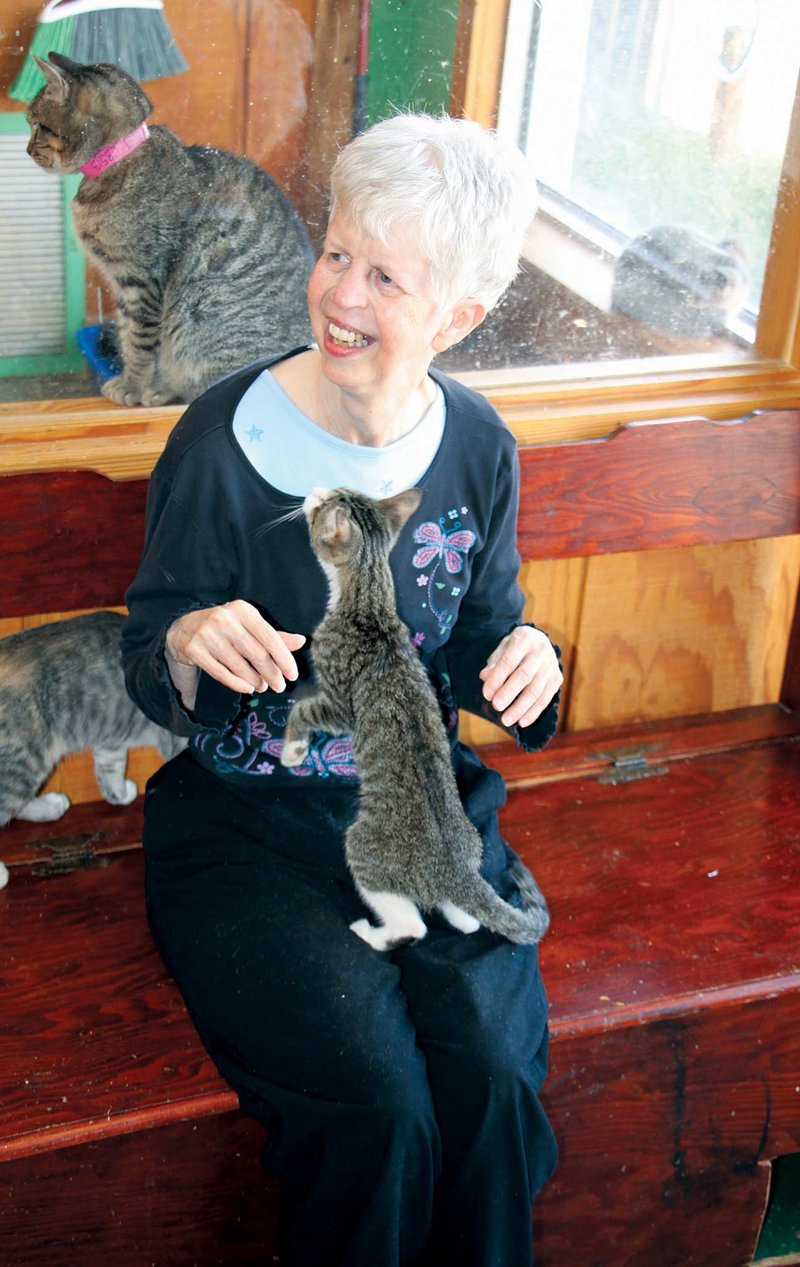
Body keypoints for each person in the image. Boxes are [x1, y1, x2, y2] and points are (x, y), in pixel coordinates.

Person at [121, 112, 562, 1267]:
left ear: (457, 316)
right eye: (336, 253)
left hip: (417, 815)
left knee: (494, 1075)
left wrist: (526, 661)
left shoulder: (476, 445)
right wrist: (186, 641)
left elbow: (478, 636)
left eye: (385, 277)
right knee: (378, 1108)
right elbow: (147, 649)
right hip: (246, 833)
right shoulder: (223, 441)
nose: (341, 296)